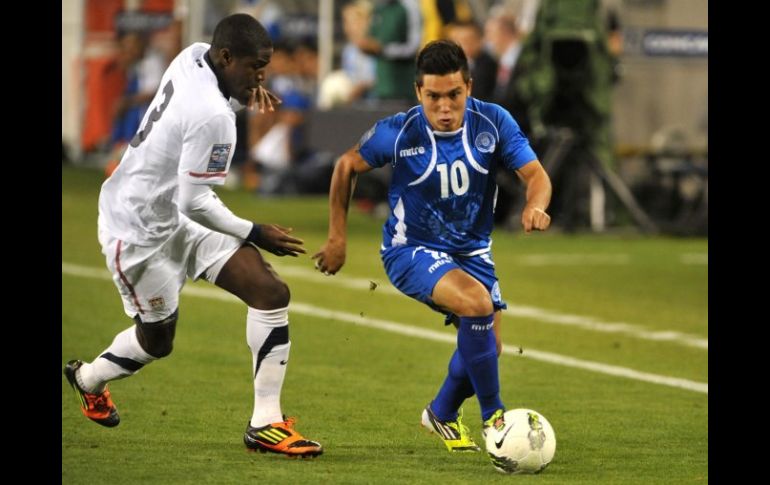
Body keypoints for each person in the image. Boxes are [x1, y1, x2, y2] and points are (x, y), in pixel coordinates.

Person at [63, 13, 323, 458]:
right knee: (157, 341)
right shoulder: (213, 118)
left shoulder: (192, 56)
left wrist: (244, 91)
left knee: (269, 291)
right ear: (225, 57)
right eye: (254, 68)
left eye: (266, 67)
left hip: (171, 213)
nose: (261, 76)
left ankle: (266, 423)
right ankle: (88, 378)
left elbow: (188, 194)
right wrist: (256, 231)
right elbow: (195, 201)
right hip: (138, 231)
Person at [313, 40, 551, 458]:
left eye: (454, 95)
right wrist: (337, 237)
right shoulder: (400, 130)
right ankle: (497, 422)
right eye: (434, 97)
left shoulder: (493, 123)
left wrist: (535, 206)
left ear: (469, 88)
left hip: (473, 252)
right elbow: (346, 165)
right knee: (476, 305)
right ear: (418, 92)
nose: (445, 107)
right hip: (411, 250)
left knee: (487, 347)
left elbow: (536, 175)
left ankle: (441, 411)